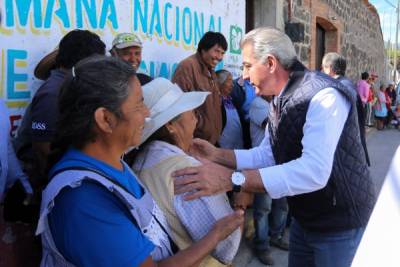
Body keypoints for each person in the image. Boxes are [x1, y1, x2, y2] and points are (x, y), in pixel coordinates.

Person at [172, 27, 376, 267]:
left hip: (339, 226)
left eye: (247, 66)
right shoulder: (278, 100)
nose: (243, 77)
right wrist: (217, 155)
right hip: (306, 219)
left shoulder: (323, 96)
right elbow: (267, 154)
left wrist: (233, 179)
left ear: (270, 63)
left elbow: (313, 171)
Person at [36, 56, 243, 267]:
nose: (147, 114)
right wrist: (215, 235)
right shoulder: (84, 200)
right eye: (139, 105)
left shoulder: (115, 165)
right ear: (105, 119)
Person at [130, 77, 241, 267]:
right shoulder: (188, 170)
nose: (195, 120)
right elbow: (226, 247)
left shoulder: (140, 160)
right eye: (191, 112)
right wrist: (241, 205)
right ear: (170, 126)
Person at [14, 29, 106, 189]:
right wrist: (60, 185)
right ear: (85, 61)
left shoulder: (72, 85)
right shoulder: (53, 92)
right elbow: (43, 147)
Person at [248, 96, 289, 265]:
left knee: (282, 204)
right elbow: (273, 127)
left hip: (279, 163)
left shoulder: (275, 103)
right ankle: (262, 245)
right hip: (263, 165)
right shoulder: (258, 104)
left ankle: (276, 236)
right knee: (263, 208)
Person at [172, 31, 227, 145]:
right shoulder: (187, 67)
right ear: (204, 49)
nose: (220, 57)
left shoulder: (210, 70)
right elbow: (181, 106)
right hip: (195, 142)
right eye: (216, 51)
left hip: (210, 142)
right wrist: (201, 127)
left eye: (222, 53)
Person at [321, 52, 370, 166]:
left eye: (323, 69)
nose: (322, 72)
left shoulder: (338, 89)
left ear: (330, 69)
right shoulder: (346, 85)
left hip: (346, 151)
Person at [216, 70, 244, 149]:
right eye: (229, 81)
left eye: (232, 81)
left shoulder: (232, 100)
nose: (232, 85)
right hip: (223, 148)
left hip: (237, 148)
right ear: (220, 83)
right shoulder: (216, 102)